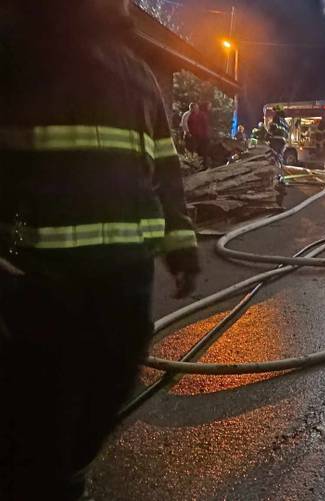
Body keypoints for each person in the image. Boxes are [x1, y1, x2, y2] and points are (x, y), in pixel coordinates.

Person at [0, 2, 200, 499]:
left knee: (109, 385)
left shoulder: (136, 72)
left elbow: (165, 165)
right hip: (39, 274)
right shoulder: (19, 50)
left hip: (125, 278)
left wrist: (180, 242)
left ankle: (66, 471)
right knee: (39, 404)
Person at [189, 101, 211, 168]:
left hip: (203, 135)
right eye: (194, 108)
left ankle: (205, 164)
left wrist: (206, 134)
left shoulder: (202, 115)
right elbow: (189, 126)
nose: (196, 109)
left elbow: (205, 125)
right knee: (198, 150)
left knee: (204, 150)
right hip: (195, 136)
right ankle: (200, 165)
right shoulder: (190, 116)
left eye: (196, 107)